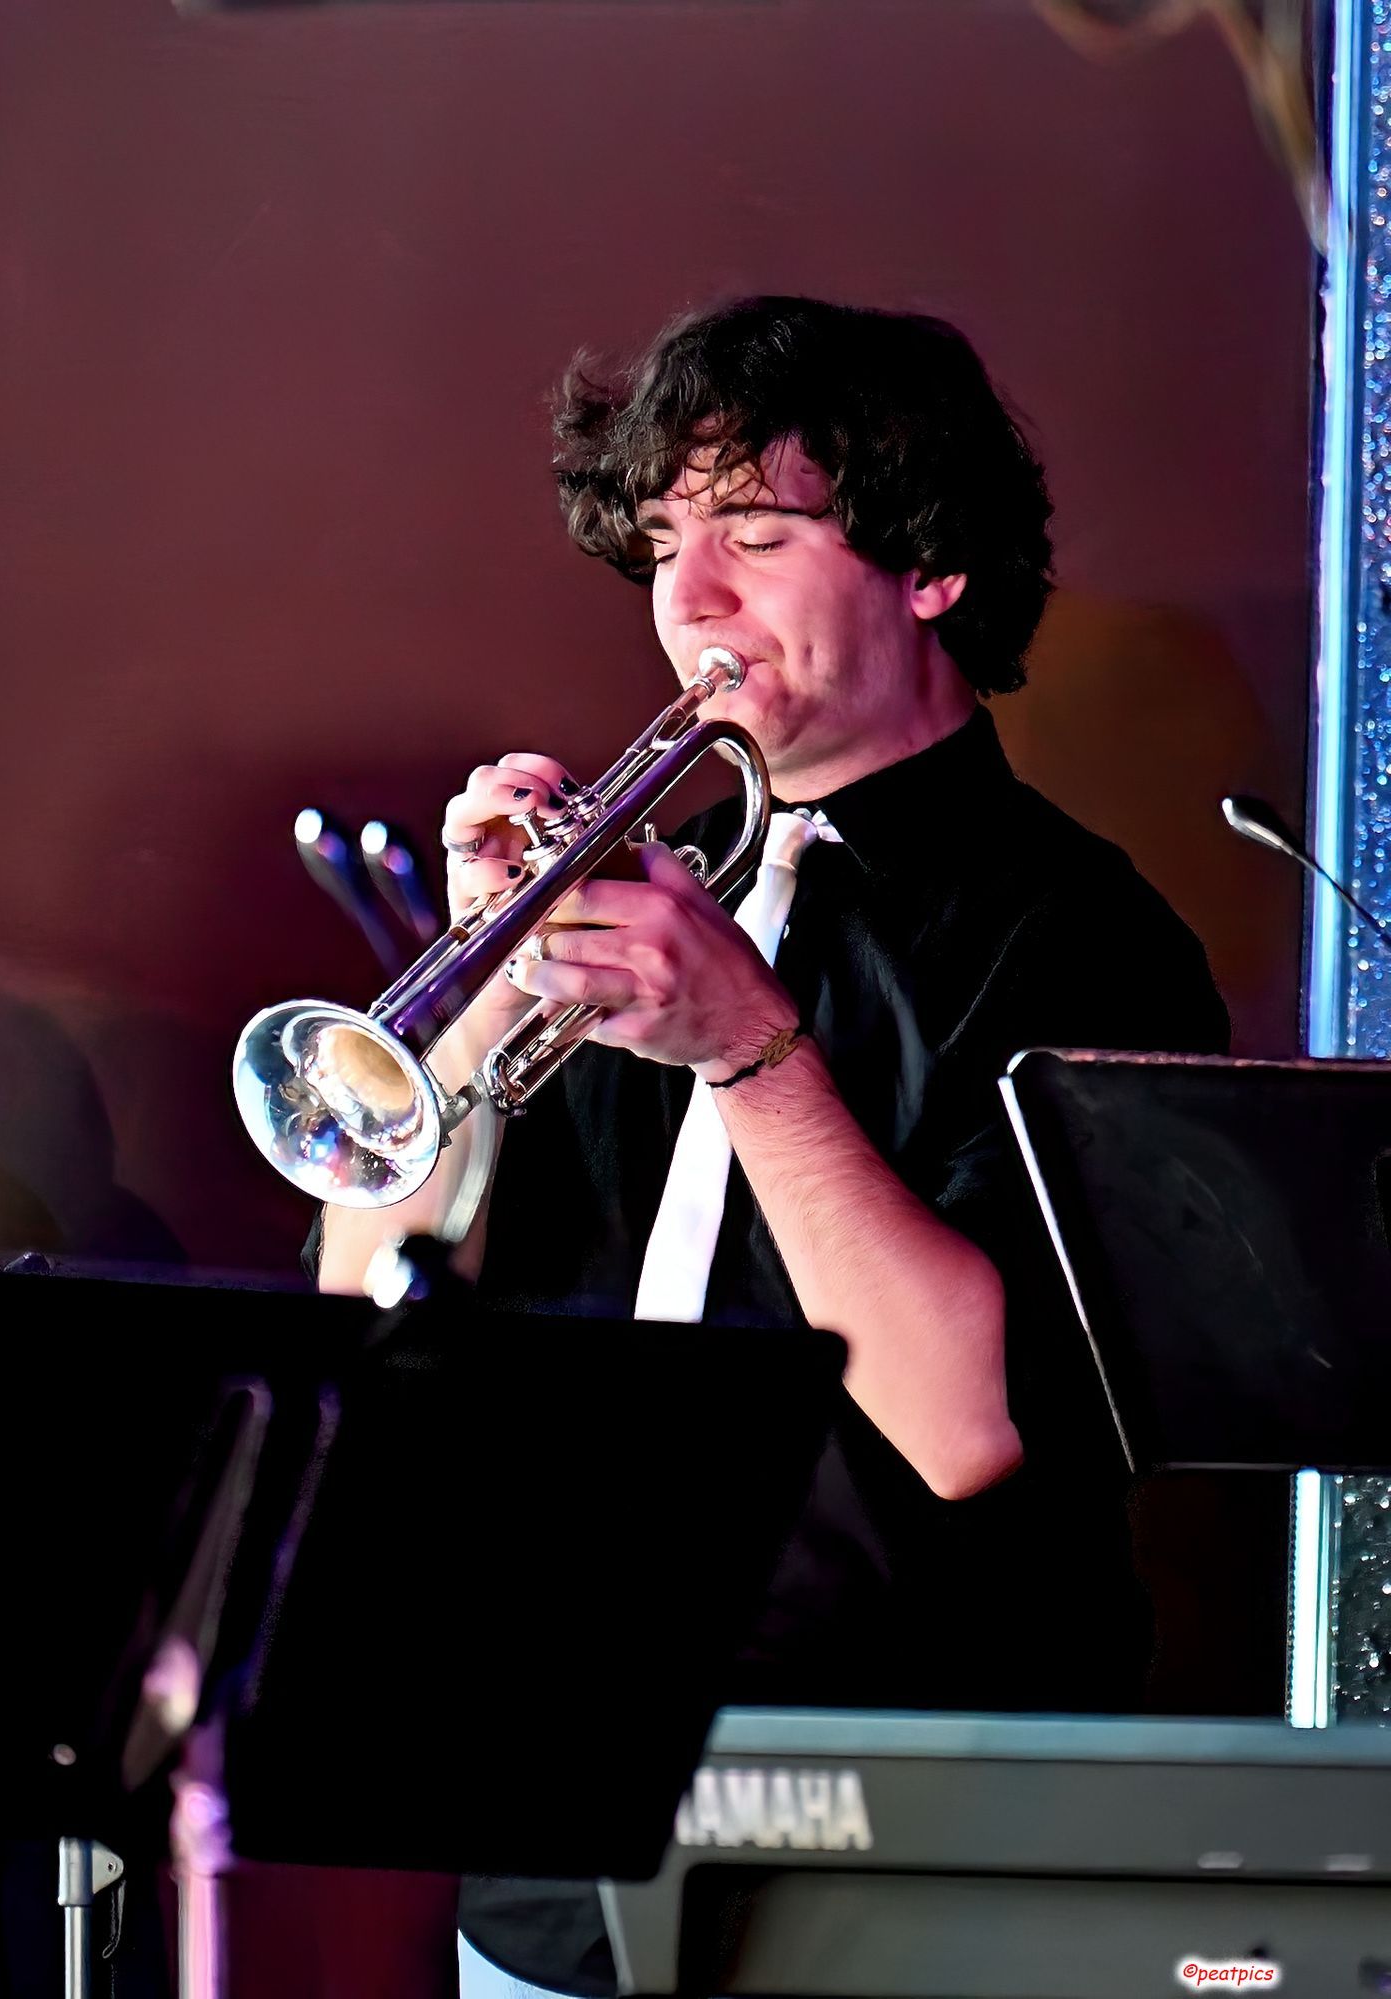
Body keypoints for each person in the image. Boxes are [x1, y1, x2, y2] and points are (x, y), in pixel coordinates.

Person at [313, 295, 1230, 1997]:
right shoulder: (639, 901)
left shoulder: (1086, 942)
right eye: (667, 541)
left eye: (757, 533)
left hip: (911, 1855)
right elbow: (376, 1311)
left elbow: (968, 1426)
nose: (689, 599)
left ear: (928, 565)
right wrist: (457, 1011)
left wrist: (746, 1044)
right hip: (552, 1846)